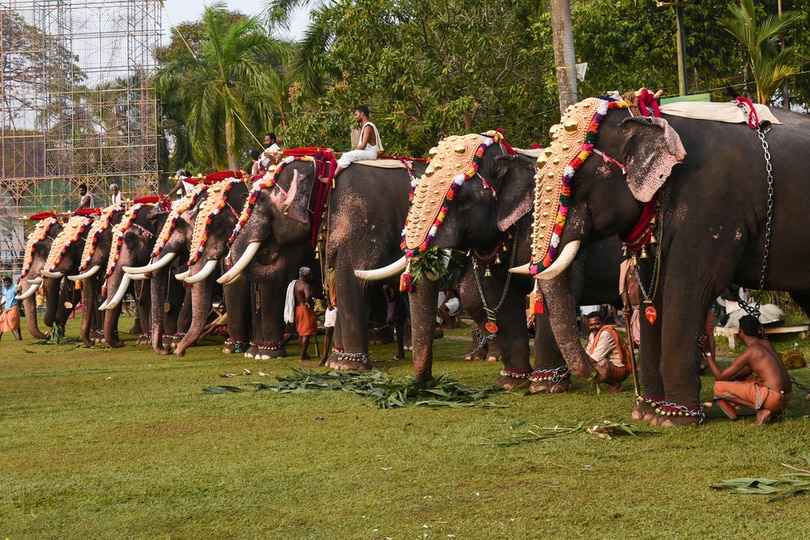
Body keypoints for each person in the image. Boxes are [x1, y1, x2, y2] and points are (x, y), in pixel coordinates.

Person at [701, 315, 792, 425]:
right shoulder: (766, 343)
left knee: (719, 387)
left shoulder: (750, 352)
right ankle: (765, 409)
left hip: (773, 400)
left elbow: (719, 376)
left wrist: (707, 352)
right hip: (785, 399)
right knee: (743, 378)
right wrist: (732, 380)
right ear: (757, 330)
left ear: (740, 330)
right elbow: (746, 371)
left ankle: (760, 410)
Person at [584, 311, 632, 393]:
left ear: (603, 323)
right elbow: (587, 353)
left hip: (620, 369)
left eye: (597, 324)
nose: (594, 327)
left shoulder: (606, 334)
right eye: (591, 325)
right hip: (612, 367)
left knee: (601, 363)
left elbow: (593, 359)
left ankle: (615, 384)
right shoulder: (593, 334)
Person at [332, 105, 383, 178]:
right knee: (345, 155)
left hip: (370, 153)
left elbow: (363, 145)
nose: (355, 117)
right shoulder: (366, 126)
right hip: (368, 152)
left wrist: (351, 152)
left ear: (362, 114)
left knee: (347, 155)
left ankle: (332, 177)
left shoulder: (368, 127)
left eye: (356, 114)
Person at [284, 267, 319, 361]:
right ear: (306, 275)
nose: (311, 276)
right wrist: (309, 302)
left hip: (298, 309)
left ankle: (304, 354)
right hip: (304, 309)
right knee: (306, 333)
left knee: (301, 333)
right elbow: (308, 295)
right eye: (310, 274)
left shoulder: (295, 284)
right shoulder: (305, 285)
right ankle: (303, 356)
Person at [384, 284, 409, 361]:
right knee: (400, 329)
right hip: (398, 305)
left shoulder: (395, 288)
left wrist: (386, 290)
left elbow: (389, 299)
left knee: (399, 330)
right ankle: (400, 353)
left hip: (396, 307)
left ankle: (401, 354)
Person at [619, 259, 640, 347]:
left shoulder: (646, 262)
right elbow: (623, 288)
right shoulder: (625, 265)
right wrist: (625, 306)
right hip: (635, 310)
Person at [0, 276, 22, 341]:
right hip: (6, 308)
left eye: (7, 283)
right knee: (1, 321)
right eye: (5, 283)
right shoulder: (5, 289)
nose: (6, 284)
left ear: (10, 283)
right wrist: (2, 304)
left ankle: (20, 337)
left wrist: (18, 287)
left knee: (15, 322)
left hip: (14, 307)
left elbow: (19, 294)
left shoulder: (14, 288)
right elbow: (7, 299)